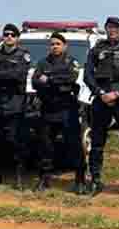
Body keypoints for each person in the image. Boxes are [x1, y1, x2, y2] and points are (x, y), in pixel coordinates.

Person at [83, 16, 119, 199]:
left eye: (115, 27)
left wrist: (118, 93)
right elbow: (87, 74)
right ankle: (95, 180)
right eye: (109, 27)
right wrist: (100, 93)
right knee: (97, 142)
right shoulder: (97, 49)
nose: (112, 30)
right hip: (101, 98)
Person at [32, 32, 87, 194]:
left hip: (67, 110)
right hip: (48, 109)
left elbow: (70, 78)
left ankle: (80, 179)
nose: (54, 46)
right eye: (52, 44)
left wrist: (48, 80)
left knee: (74, 145)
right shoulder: (43, 62)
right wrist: (56, 81)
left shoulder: (72, 62)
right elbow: (35, 82)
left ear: (65, 46)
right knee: (45, 146)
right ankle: (44, 179)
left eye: (57, 44)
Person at [0, 23, 31, 186]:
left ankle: (19, 174)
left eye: (12, 34)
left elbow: (17, 75)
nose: (9, 37)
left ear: (17, 38)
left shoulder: (23, 55)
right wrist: (2, 76)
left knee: (15, 139)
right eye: (6, 34)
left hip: (15, 102)